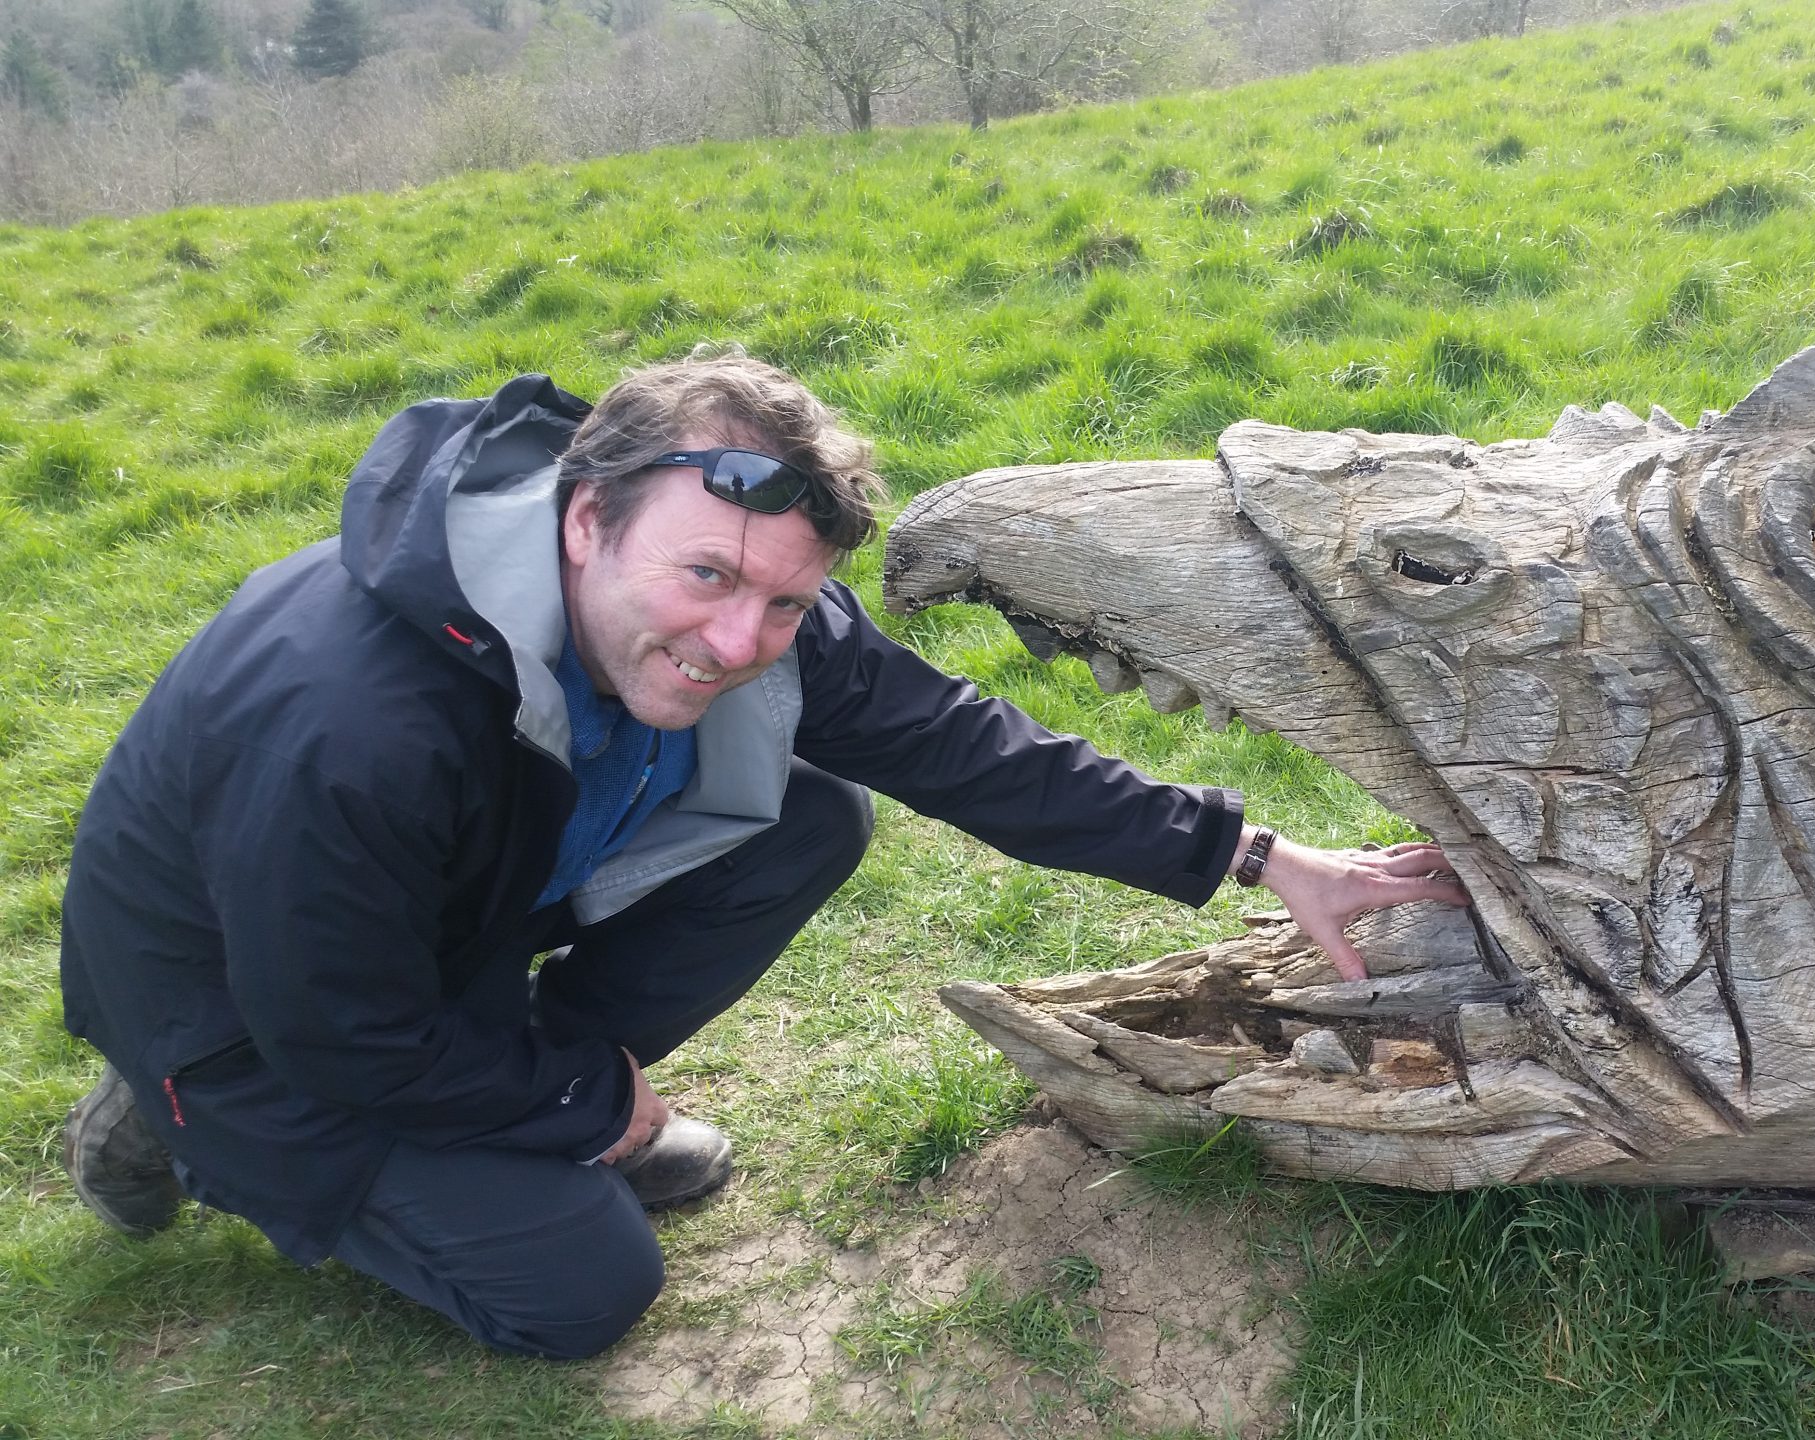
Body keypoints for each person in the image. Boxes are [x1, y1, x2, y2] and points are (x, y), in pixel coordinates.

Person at [56, 355, 1466, 1360]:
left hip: (438, 935)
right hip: (246, 1016)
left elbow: (966, 751)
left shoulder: (758, 600)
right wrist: (579, 1094)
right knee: (582, 1294)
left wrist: (1257, 853)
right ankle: (179, 1127)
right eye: (707, 579)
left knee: (807, 816)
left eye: (785, 601)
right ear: (586, 515)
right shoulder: (353, 720)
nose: (739, 640)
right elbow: (337, 1025)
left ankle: (519, 1097)